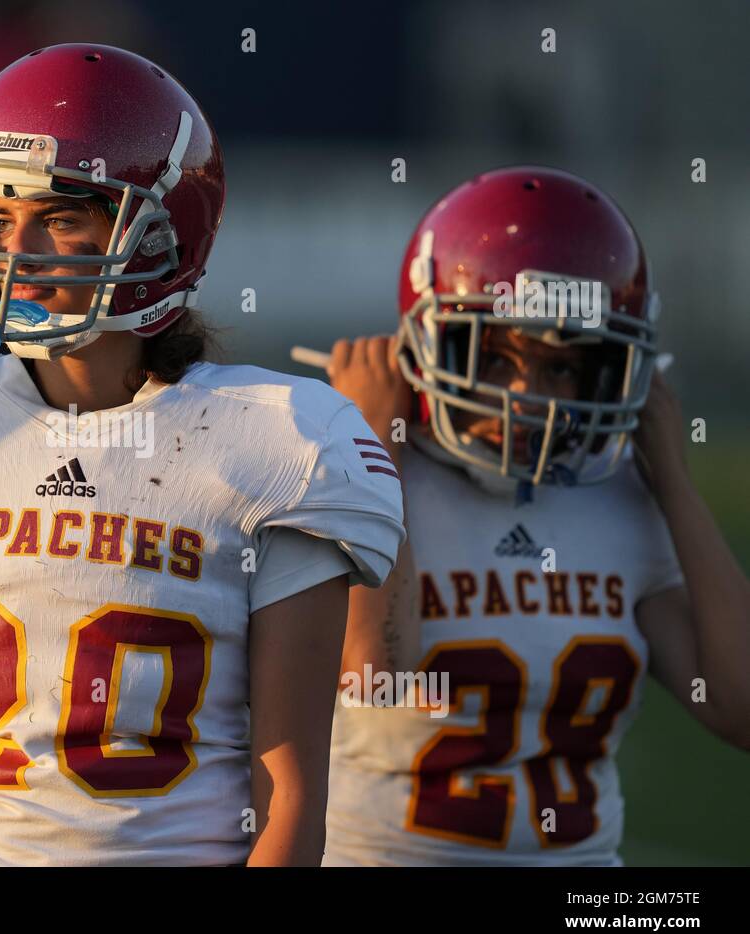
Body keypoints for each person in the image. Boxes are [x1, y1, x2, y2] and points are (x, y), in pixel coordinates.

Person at [0, 43, 405, 866]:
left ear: (161, 237)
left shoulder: (277, 438)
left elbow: (287, 800)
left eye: (59, 217)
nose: (14, 252)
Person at [296, 166, 750, 865]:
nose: (524, 397)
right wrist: (367, 448)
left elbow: (739, 705)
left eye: (560, 368)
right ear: (432, 341)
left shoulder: (621, 498)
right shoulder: (372, 475)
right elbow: (375, 673)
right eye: (496, 355)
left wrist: (676, 490)